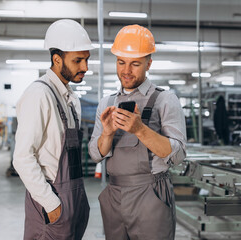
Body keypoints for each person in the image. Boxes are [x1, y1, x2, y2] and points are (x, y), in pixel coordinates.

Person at [88, 24, 187, 240]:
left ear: (149, 63)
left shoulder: (165, 100)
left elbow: (178, 156)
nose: (126, 71)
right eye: (121, 62)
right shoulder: (107, 103)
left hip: (150, 195)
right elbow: (96, 155)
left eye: (135, 64)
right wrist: (107, 134)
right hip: (114, 195)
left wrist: (140, 129)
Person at [13, 19, 93, 240]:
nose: (85, 67)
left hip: (75, 203)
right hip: (51, 206)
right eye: (78, 60)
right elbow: (22, 157)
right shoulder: (39, 95)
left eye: (86, 59)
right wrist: (51, 204)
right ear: (57, 59)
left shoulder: (71, 100)